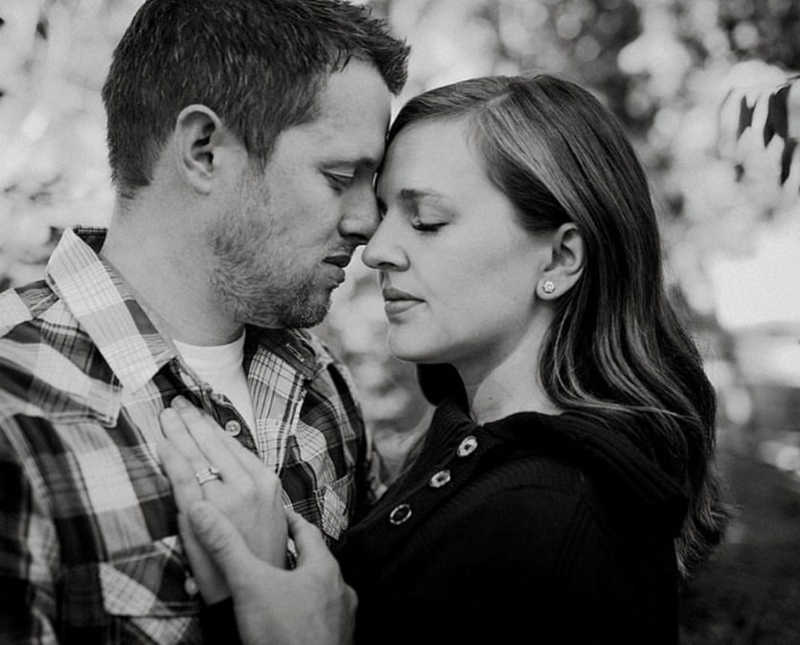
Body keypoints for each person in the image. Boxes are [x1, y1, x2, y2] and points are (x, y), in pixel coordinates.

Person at [158, 74, 728, 644]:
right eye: (384, 215)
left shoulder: (549, 518)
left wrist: (253, 604)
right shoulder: (464, 448)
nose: (377, 251)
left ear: (558, 258)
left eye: (426, 221)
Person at [0, 0, 408, 642]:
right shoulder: (15, 410)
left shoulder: (324, 389)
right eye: (339, 177)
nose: (366, 222)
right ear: (204, 151)